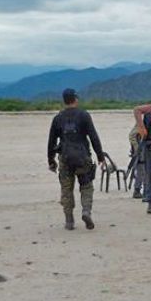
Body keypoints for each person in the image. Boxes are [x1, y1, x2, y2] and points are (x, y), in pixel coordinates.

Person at [47, 88, 105, 231]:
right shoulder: (84, 115)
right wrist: (100, 156)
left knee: (66, 189)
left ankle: (69, 220)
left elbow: (51, 141)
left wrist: (51, 160)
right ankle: (86, 211)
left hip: (65, 159)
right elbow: (93, 137)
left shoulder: (58, 118)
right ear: (75, 99)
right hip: (83, 157)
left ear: (64, 100)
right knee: (86, 186)